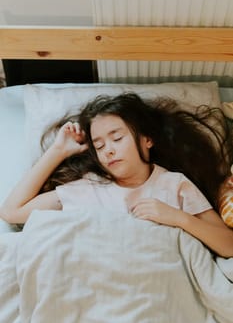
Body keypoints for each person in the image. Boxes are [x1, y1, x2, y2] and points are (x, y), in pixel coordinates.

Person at [0, 93, 233, 257]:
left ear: (147, 140)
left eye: (117, 138)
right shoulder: (88, 187)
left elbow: (229, 245)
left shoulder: (174, 185)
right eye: (99, 146)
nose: (108, 150)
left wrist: (178, 218)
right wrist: (58, 151)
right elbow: (11, 212)